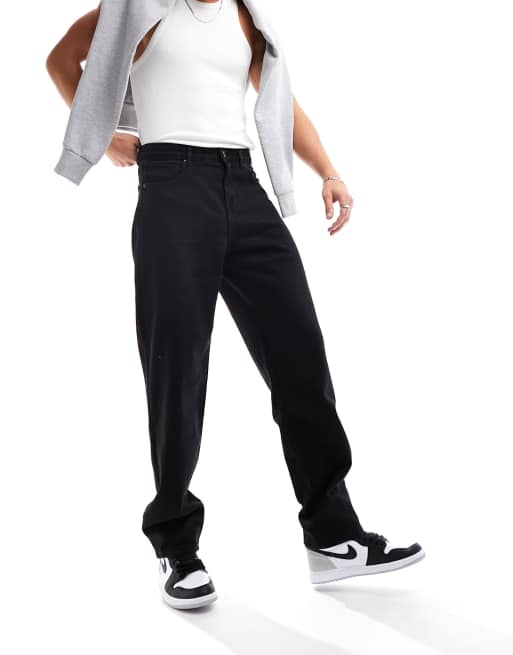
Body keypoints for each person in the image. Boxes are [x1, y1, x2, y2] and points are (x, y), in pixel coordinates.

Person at [47, 0, 425, 611]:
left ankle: (333, 537)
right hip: (171, 185)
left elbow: (280, 102)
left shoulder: (247, 17)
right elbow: (63, 59)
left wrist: (329, 171)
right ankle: (177, 547)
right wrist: (103, 136)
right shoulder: (137, 7)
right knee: (177, 371)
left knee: (301, 359)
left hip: (244, 187)